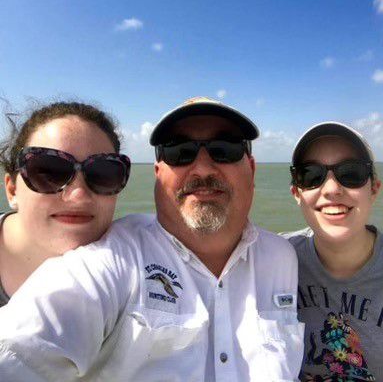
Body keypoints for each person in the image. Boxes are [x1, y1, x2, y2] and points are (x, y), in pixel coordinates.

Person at [0, 97, 304, 381]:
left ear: (251, 168)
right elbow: (23, 346)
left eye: (225, 149)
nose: (202, 168)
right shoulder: (114, 259)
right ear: (158, 174)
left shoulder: (283, 257)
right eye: (179, 152)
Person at [0, 101, 131, 305]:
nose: (78, 195)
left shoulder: (134, 265)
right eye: (49, 172)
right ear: (12, 190)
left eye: (102, 173)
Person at [284, 122, 382, 381]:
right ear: (297, 193)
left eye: (350, 173)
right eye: (311, 175)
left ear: (374, 188)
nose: (331, 190)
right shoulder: (273, 259)